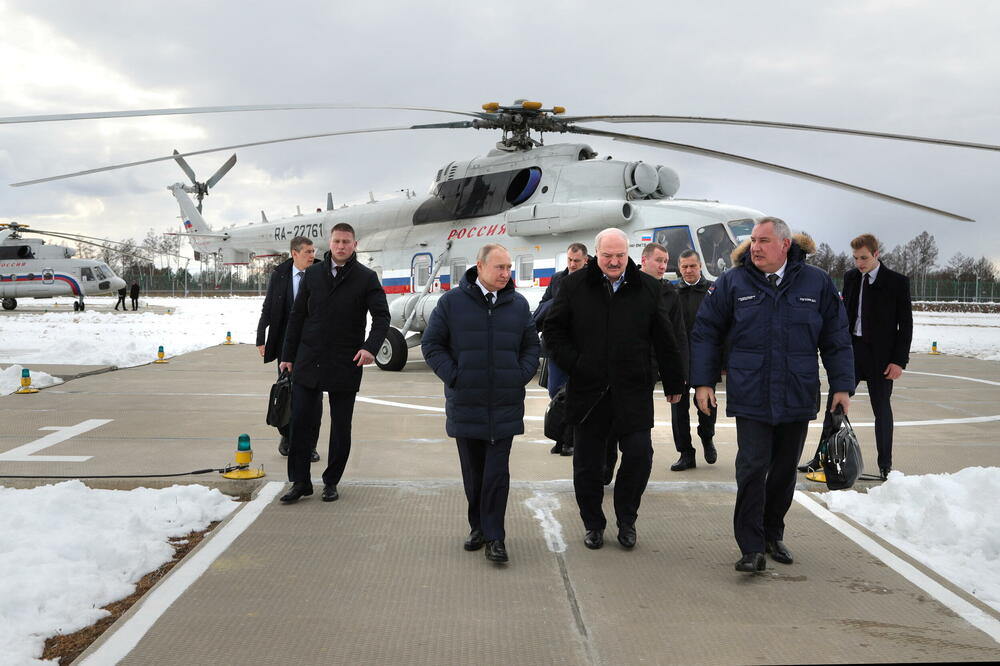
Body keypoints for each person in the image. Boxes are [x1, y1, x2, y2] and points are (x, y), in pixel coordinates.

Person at [691, 217, 854, 573]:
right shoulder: (733, 282)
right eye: (753, 240)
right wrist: (703, 382)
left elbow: (836, 337)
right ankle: (750, 546)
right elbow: (706, 333)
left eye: (764, 240)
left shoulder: (817, 283)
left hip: (796, 392)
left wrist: (842, 386)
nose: (756, 247)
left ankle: (772, 533)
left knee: (783, 472)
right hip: (751, 393)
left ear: (784, 245)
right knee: (751, 469)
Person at [545, 228, 685, 551]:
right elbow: (553, 330)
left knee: (639, 456)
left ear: (628, 255)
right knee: (588, 465)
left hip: (632, 390)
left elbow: (665, 337)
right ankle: (593, 523)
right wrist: (576, 363)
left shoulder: (648, 288)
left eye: (620, 255)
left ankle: (627, 519)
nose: (614, 261)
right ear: (597, 255)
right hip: (589, 392)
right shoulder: (574, 285)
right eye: (608, 255)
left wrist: (675, 380)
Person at [422, 243, 540, 564]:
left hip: (504, 404)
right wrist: (455, 376)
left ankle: (495, 537)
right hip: (466, 403)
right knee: (474, 473)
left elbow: (532, 347)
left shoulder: (518, 306)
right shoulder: (451, 303)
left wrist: (519, 374)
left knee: (496, 474)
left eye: (509, 268)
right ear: (480, 266)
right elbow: (431, 344)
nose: (506, 274)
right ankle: (478, 527)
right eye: (500, 268)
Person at [278, 222, 390, 504]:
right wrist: (287, 356)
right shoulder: (312, 274)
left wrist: (370, 348)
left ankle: (331, 481)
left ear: (354, 245)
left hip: (346, 360)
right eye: (337, 241)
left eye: (347, 242)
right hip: (309, 358)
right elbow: (297, 317)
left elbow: (382, 317)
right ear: (330, 243)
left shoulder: (366, 277)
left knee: (341, 426)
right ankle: (300, 482)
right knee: (301, 423)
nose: (341, 246)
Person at [799, 233, 913, 480]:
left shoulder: (896, 282)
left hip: (882, 358)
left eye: (864, 258)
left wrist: (898, 361)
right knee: (835, 407)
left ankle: (885, 465)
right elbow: (842, 316)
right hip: (852, 353)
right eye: (855, 258)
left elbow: (906, 325)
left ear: (876, 254)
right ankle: (820, 459)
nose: (859, 263)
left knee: (881, 410)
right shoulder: (851, 278)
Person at [602, 242, 688, 484]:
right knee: (609, 423)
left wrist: (677, 373)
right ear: (644, 260)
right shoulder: (627, 286)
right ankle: (606, 465)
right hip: (618, 367)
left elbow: (677, 336)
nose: (662, 266)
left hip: (645, 372)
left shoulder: (671, 294)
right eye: (658, 260)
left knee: (637, 428)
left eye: (665, 262)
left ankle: (631, 474)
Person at [256, 236, 320, 461]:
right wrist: (260, 337)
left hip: (314, 345)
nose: (312, 256)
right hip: (286, 345)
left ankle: (310, 445)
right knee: (286, 392)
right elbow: (268, 307)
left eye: (313, 251)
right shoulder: (280, 275)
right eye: (308, 252)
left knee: (314, 397)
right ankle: (287, 435)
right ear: (294, 253)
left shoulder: (321, 271)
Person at [533, 242, 588, 456]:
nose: (573, 264)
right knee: (555, 391)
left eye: (577, 261)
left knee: (574, 393)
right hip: (556, 346)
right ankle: (560, 434)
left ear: (585, 260)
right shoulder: (557, 279)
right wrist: (557, 302)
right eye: (570, 260)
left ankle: (569, 439)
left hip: (579, 347)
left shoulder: (591, 281)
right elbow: (543, 304)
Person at [670, 249, 718, 471]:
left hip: (704, 359)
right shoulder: (671, 292)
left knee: (707, 406)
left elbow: (722, 327)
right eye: (684, 266)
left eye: (692, 266)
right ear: (679, 268)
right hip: (678, 360)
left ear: (700, 266)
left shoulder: (713, 291)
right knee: (678, 411)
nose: (688, 270)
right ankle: (686, 453)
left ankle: (707, 438)